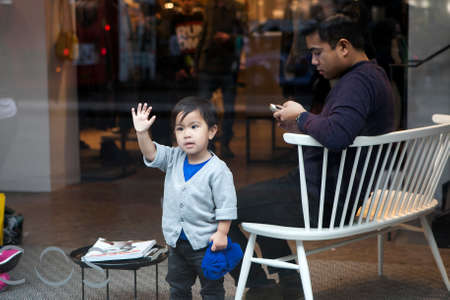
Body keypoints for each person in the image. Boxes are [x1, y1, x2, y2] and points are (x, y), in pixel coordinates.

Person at [228, 15, 395, 300]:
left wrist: (303, 117)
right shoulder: (372, 76)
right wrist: (302, 124)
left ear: (343, 46)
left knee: (217, 207)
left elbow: (338, 135)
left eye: (318, 52)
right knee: (262, 198)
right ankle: (289, 279)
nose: (314, 61)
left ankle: (259, 285)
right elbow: (340, 129)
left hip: (323, 202)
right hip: (334, 194)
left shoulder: (356, 83)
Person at [131, 97, 237, 299]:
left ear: (212, 131)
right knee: (178, 287)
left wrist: (222, 233)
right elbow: (151, 154)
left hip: (207, 245)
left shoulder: (218, 170)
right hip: (176, 244)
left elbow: (226, 206)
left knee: (211, 288)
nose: (187, 134)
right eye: (180, 129)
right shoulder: (173, 158)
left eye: (194, 126)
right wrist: (142, 132)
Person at [195, 0, 246, 158]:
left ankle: (225, 144)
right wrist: (197, 61)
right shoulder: (209, 7)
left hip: (227, 65)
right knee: (205, 108)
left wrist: (228, 38)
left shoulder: (236, 8)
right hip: (208, 64)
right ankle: (208, 143)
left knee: (229, 108)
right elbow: (204, 33)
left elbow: (244, 36)